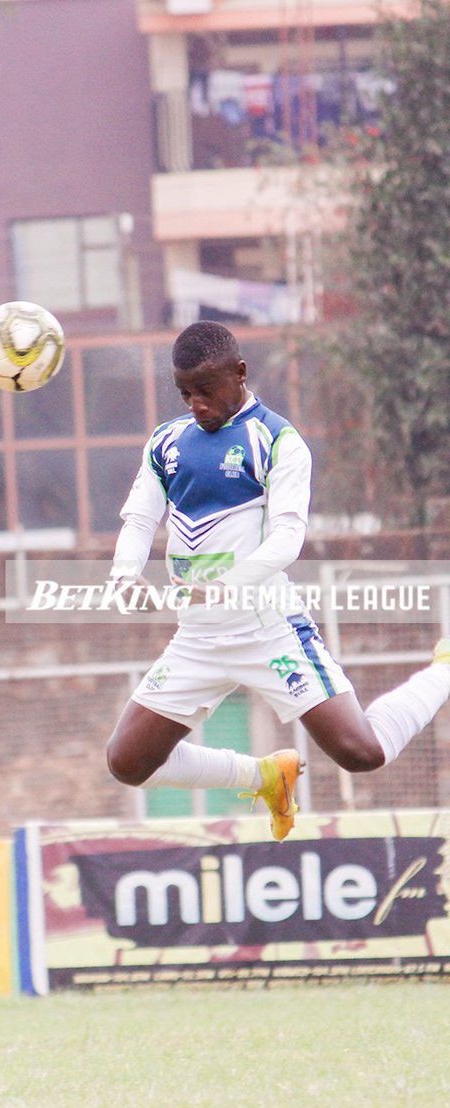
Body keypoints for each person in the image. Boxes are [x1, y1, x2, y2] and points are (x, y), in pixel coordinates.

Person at [106, 320, 450, 839]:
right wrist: (125, 573)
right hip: (198, 636)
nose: (195, 403)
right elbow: (138, 519)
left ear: (239, 373)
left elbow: (288, 540)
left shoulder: (279, 442)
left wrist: (228, 584)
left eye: (205, 389)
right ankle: (264, 775)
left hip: (270, 629)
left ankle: (444, 670)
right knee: (127, 762)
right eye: (185, 393)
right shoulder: (167, 442)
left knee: (362, 753)